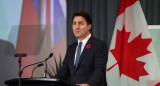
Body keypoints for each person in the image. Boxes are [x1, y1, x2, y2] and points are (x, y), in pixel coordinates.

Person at [54, 11, 108, 86]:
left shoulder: (99, 45)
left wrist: (88, 84)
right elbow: (64, 73)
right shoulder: (71, 48)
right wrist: (51, 82)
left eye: (81, 23)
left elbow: (99, 70)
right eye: (74, 23)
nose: (77, 27)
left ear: (89, 26)